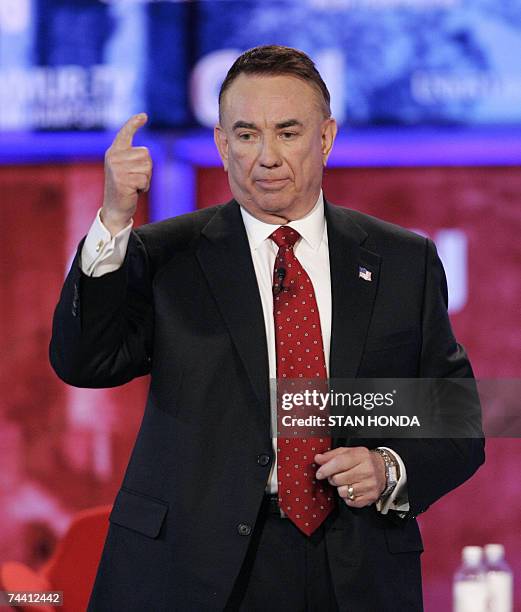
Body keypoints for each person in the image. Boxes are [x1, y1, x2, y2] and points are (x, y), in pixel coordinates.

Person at [50, 45, 484, 611]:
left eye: (287, 132)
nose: (267, 157)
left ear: (325, 138)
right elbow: (86, 361)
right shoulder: (167, 255)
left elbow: (456, 416)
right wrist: (113, 220)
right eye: (247, 134)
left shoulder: (403, 261)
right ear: (222, 144)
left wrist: (389, 466)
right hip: (195, 569)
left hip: (354, 567)